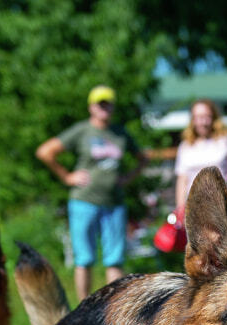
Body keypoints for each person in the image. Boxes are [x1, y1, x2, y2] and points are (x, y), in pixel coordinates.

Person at [37, 85, 146, 302]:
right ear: (91, 107)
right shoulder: (82, 131)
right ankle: (84, 308)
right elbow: (45, 152)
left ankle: (113, 309)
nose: (104, 108)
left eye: (108, 103)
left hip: (114, 203)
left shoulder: (120, 133)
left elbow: (143, 158)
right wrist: (67, 176)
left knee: (114, 259)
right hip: (84, 201)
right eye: (100, 103)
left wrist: (127, 178)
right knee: (84, 258)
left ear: (113, 107)